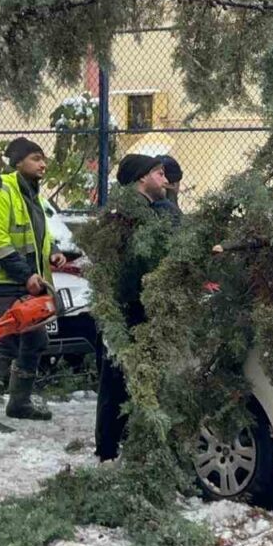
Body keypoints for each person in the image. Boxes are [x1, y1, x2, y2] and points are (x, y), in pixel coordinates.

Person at [0, 137, 67, 436]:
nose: (43, 164)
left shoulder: (31, 195)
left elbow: (38, 235)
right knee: (5, 343)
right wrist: (26, 276)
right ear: (18, 161)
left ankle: (18, 403)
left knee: (35, 342)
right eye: (36, 158)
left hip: (23, 283)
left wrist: (52, 251)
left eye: (44, 159)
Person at [95, 153, 177, 460]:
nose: (165, 179)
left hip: (145, 304)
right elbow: (135, 262)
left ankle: (130, 444)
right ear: (142, 177)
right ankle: (108, 450)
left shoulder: (154, 211)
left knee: (139, 376)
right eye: (158, 173)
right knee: (118, 377)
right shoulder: (127, 216)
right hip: (129, 307)